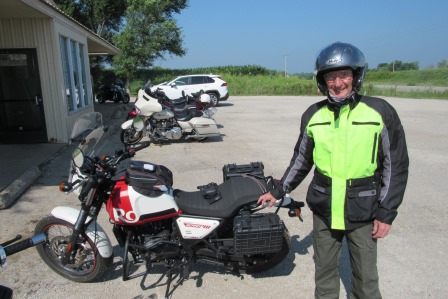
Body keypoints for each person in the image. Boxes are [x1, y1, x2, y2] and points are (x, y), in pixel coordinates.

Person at [258, 42, 409, 299]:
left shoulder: (380, 112)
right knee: (325, 275)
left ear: (357, 76)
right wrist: (279, 189)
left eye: (344, 75)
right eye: (331, 76)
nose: (338, 83)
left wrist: (386, 212)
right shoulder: (313, 114)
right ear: (322, 79)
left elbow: (395, 167)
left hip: (363, 210)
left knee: (366, 281)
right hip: (325, 210)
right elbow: (301, 159)